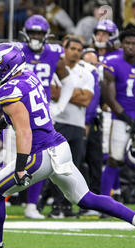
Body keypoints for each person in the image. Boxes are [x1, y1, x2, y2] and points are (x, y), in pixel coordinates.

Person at [0, 42, 135, 248]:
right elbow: (29, 110)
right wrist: (4, 120)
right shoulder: (29, 76)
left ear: (7, 67)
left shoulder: (8, 90)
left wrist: (20, 168)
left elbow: (24, 131)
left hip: (39, 153)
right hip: (59, 147)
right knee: (85, 198)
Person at [17, 14, 75, 219]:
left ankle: (32, 205)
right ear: (25, 32)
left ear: (46, 35)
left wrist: (59, 106)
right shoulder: (17, 52)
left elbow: (69, 81)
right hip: (17, 111)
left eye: (39, 33)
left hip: (41, 114)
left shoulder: (53, 54)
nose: (35, 36)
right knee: (12, 157)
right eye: (32, 32)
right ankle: (3, 197)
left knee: (40, 159)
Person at [100, 26, 135, 215]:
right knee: (114, 160)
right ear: (122, 44)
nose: (131, 46)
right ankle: (103, 205)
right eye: (127, 43)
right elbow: (109, 97)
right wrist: (128, 119)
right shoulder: (112, 63)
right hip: (121, 118)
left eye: (134, 43)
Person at [49, 37, 95, 218]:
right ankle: (56, 204)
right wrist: (75, 93)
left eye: (79, 49)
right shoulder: (55, 68)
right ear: (64, 49)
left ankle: (67, 205)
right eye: (72, 48)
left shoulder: (87, 72)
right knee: (54, 167)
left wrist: (64, 93)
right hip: (57, 122)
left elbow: (87, 99)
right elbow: (51, 92)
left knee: (73, 166)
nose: (75, 52)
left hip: (76, 124)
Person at [92, 19, 123, 204]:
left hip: (113, 110)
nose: (100, 36)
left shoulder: (119, 56)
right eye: (98, 33)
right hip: (94, 109)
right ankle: (115, 190)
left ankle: (113, 191)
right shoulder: (91, 55)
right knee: (103, 154)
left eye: (104, 33)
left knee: (111, 154)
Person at [79, 48, 103, 216]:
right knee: (79, 162)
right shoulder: (78, 74)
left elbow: (95, 100)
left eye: (94, 63)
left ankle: (95, 200)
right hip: (78, 121)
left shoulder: (96, 75)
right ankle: (85, 201)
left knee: (94, 162)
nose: (92, 66)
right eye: (89, 63)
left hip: (92, 122)